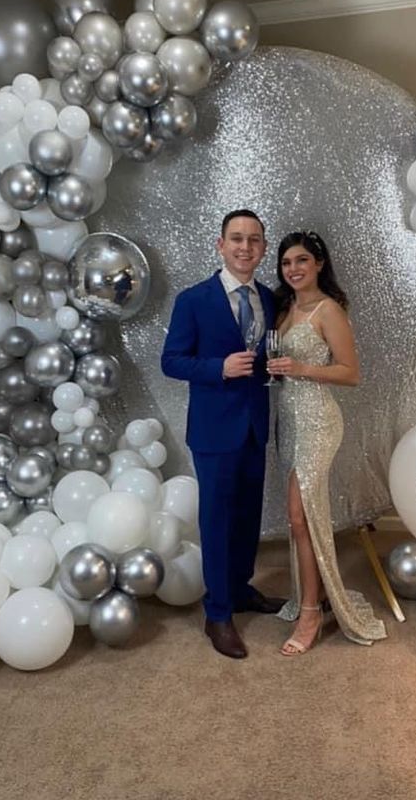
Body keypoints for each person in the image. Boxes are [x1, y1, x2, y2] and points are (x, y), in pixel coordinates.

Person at [161, 210, 286, 659]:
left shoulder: (269, 298)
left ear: (263, 248)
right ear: (220, 245)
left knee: (248, 514)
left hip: (255, 422)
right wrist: (218, 368)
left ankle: (239, 588)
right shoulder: (193, 299)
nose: (245, 247)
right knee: (217, 519)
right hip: (214, 430)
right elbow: (171, 360)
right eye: (236, 239)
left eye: (254, 240)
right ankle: (217, 613)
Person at [267, 230, 387, 655]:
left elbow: (350, 372)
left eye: (301, 261)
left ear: (318, 263)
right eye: (286, 263)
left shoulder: (328, 309)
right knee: (298, 517)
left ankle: (311, 612)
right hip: (288, 418)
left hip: (318, 418)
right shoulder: (284, 309)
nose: (294, 269)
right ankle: (311, 599)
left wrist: (300, 367)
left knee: (303, 516)